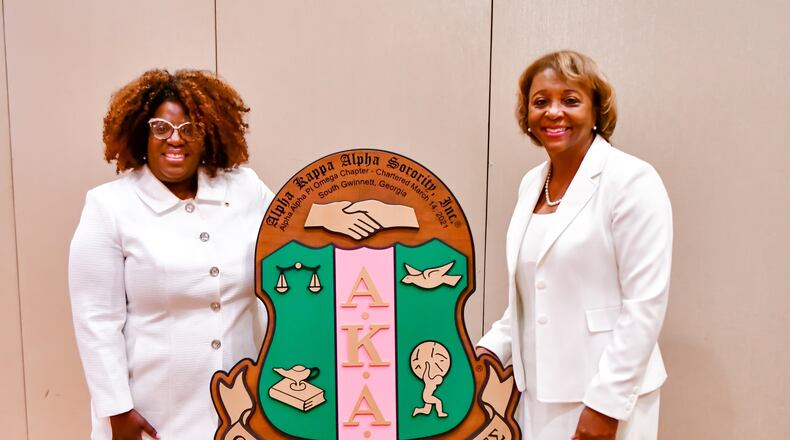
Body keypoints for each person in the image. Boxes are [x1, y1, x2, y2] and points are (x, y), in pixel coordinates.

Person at [69, 69, 274, 439]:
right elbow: (96, 319)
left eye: (189, 128)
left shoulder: (246, 189)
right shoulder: (110, 206)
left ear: (207, 132)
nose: (174, 139)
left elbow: (293, 236)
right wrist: (117, 410)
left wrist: (331, 215)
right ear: (142, 134)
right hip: (153, 410)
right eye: (161, 127)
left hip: (241, 405)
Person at [477, 51, 672, 440]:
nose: (553, 112)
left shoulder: (632, 180)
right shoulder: (532, 184)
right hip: (538, 396)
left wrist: (606, 408)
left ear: (597, 110)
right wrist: (483, 356)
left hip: (606, 396)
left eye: (570, 100)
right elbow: (530, 296)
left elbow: (644, 305)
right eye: (540, 101)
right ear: (526, 115)